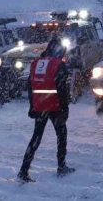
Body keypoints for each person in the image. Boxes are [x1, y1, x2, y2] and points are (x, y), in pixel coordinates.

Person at [18, 37, 75, 182]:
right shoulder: (59, 65)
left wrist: (32, 106)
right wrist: (65, 108)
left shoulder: (36, 63)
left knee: (36, 138)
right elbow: (62, 90)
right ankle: (61, 166)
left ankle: (23, 170)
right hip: (55, 105)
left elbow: (30, 86)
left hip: (41, 105)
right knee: (61, 135)